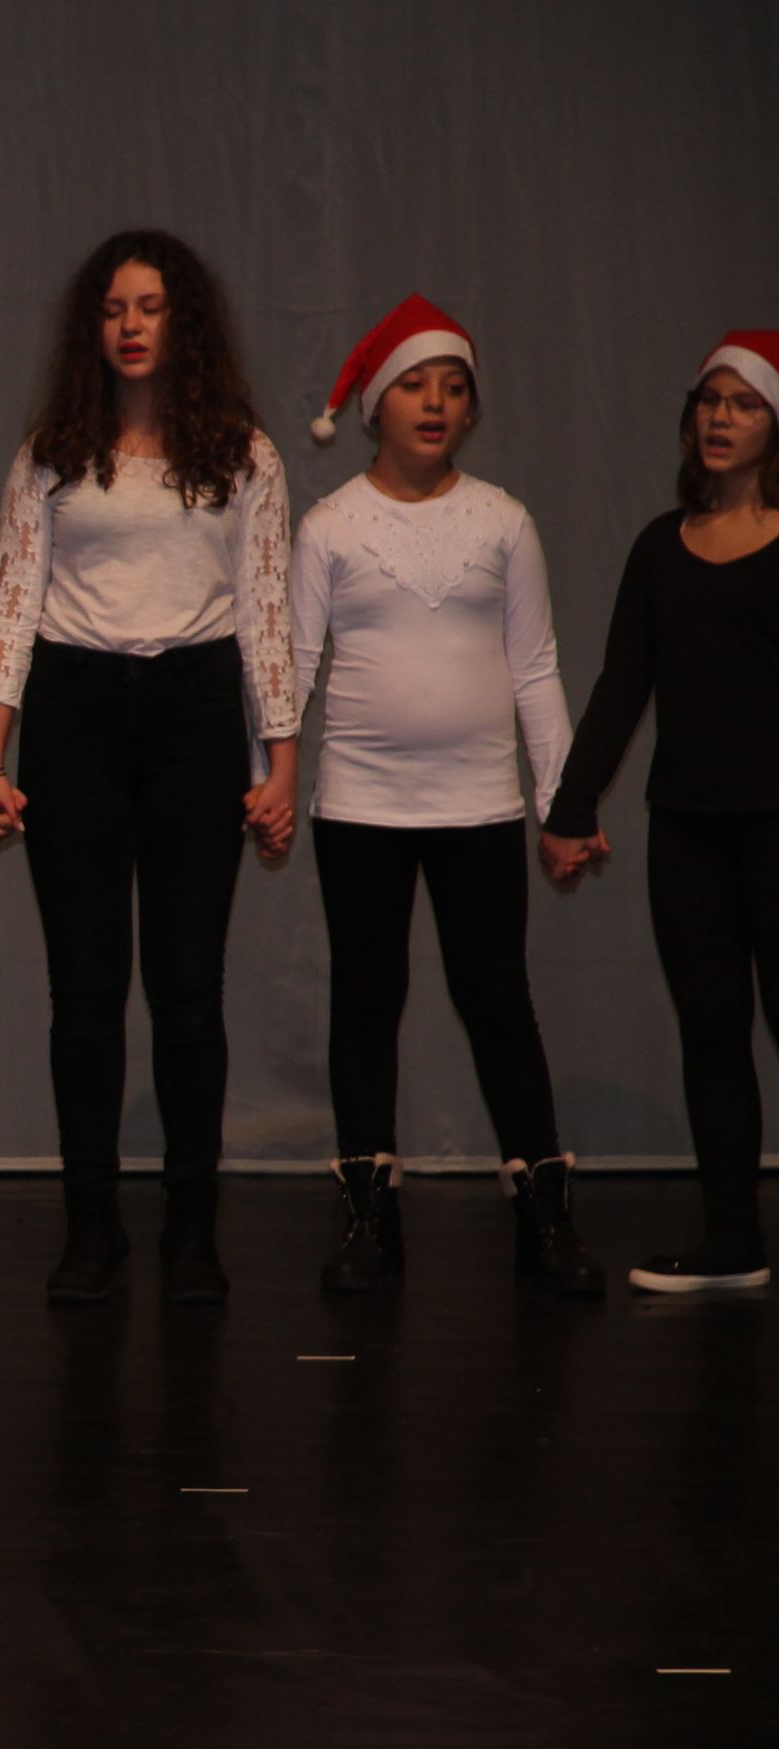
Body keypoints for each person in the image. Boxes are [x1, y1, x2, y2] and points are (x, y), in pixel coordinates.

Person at [0, 228, 298, 1306]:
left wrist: (281, 764)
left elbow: (268, 618)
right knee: (85, 993)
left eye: (150, 307)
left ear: (183, 322)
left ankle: (192, 1232)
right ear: (92, 328)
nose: (131, 325)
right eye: (113, 309)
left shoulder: (244, 455)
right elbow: (10, 610)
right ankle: (92, 1227)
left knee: (189, 992)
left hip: (196, 715)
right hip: (75, 713)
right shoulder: (52, 454)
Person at [291, 295, 599, 1297]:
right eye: (415, 384)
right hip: (360, 806)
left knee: (498, 998)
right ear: (376, 404)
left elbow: (536, 668)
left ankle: (544, 1217)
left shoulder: (504, 521)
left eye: (453, 387)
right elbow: (292, 666)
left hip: (478, 806)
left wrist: (562, 805)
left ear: (471, 409)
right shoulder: (330, 527)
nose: (434, 402)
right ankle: (369, 1219)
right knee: (365, 1000)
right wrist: (272, 775)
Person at [541, 330, 779, 1292]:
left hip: (777, 827)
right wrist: (570, 805)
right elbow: (620, 687)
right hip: (688, 830)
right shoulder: (659, 546)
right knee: (712, 1032)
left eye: (744, 404)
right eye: (709, 402)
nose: (721, 418)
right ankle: (733, 1239)